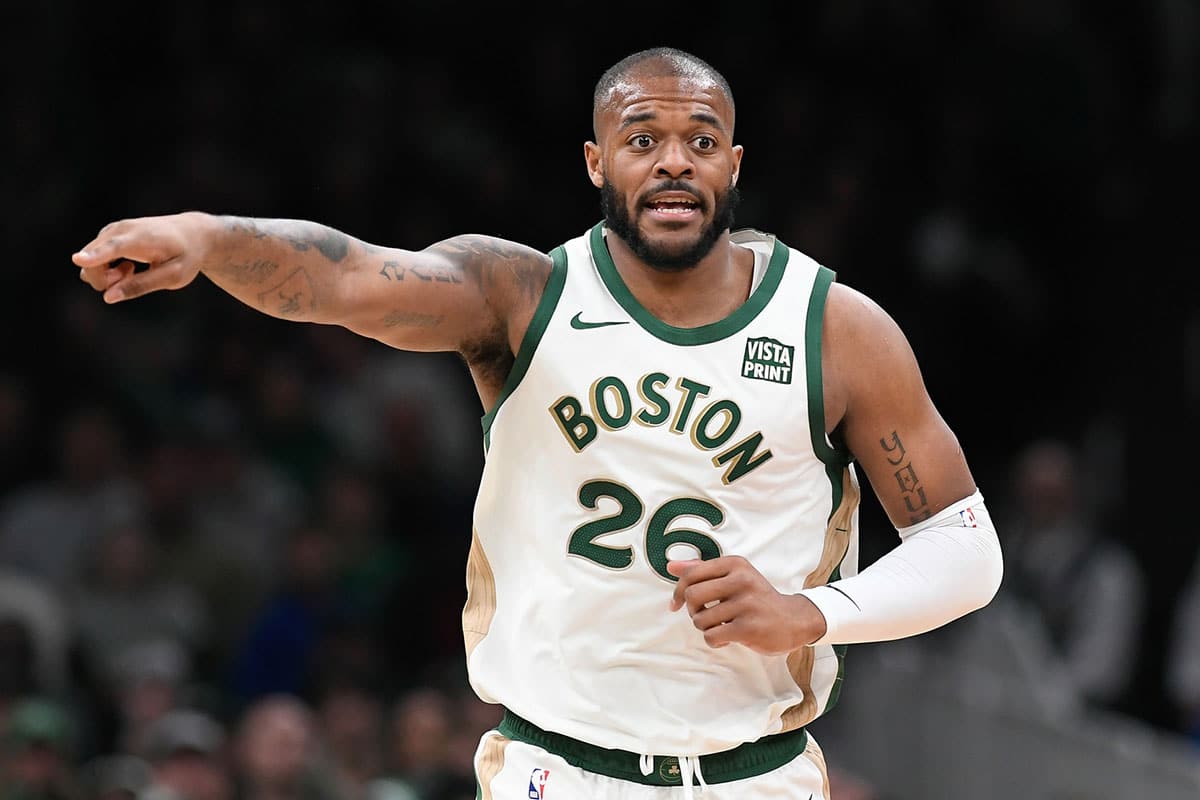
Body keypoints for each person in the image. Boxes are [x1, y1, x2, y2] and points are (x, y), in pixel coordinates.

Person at [72, 46, 1003, 800]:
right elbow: (349, 278)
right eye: (642, 138)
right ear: (598, 162)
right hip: (555, 771)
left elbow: (964, 544)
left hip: (754, 773)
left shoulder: (835, 328)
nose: (674, 158)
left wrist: (812, 613)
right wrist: (206, 236)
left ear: (733, 163)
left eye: (700, 138)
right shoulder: (521, 296)